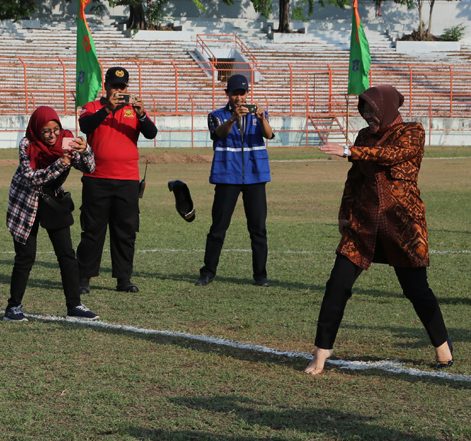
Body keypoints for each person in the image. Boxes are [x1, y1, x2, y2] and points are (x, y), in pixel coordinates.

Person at [304, 84, 454, 375]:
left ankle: (442, 348)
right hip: (363, 224)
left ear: (386, 107)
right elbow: (354, 180)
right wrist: (344, 213)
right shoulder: (363, 137)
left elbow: (392, 154)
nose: (368, 116)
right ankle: (320, 355)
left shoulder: (413, 131)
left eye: (372, 110)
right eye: (364, 111)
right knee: (337, 284)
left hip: (403, 225)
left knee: (417, 290)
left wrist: (349, 150)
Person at [5, 106, 98, 322]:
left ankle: (74, 305)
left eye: (56, 129)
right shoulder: (27, 144)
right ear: (37, 129)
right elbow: (31, 178)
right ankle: (13, 308)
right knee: (25, 257)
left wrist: (85, 151)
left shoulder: (67, 141)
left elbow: (90, 168)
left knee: (66, 255)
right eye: (46, 131)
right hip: (26, 202)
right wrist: (60, 164)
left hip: (53, 201)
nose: (52, 135)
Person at [76, 66, 157, 294]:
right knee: (92, 231)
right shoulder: (93, 107)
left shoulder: (134, 109)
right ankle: (83, 279)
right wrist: (107, 110)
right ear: (106, 86)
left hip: (128, 180)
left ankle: (124, 279)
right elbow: (85, 126)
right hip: (96, 178)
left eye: (122, 87)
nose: (118, 91)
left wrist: (141, 115)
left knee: (126, 231)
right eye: (114, 86)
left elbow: (151, 133)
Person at [195, 74, 274, 288]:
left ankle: (261, 275)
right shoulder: (217, 115)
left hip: (255, 175)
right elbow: (218, 134)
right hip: (227, 175)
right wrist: (232, 118)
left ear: (248, 93)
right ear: (227, 94)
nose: (239, 98)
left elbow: (269, 135)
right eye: (235, 93)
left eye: (242, 93)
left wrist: (262, 119)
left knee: (258, 229)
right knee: (218, 227)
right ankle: (208, 272)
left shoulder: (259, 113)